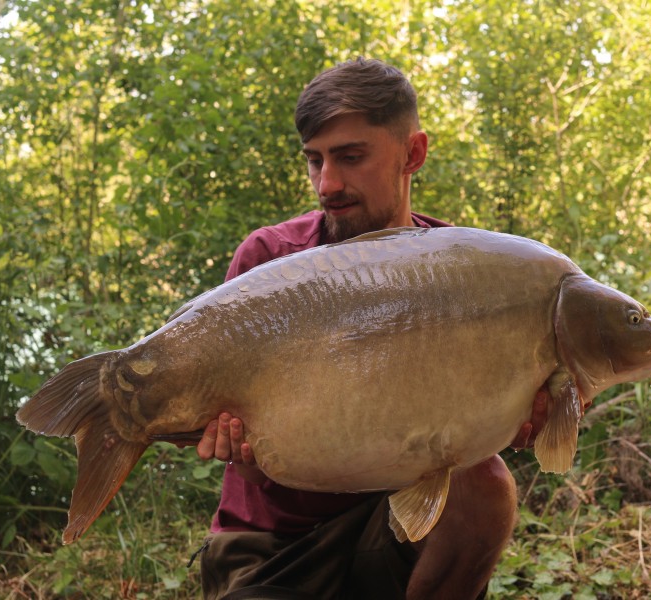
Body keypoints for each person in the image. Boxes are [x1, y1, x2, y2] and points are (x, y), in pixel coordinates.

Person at [192, 58, 549, 600]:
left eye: (351, 158)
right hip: (273, 546)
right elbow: (259, 477)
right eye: (314, 161)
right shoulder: (268, 261)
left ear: (414, 153)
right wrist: (245, 452)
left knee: (486, 485)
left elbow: (497, 425)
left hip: (399, 532)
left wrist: (531, 414)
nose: (327, 184)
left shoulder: (468, 271)